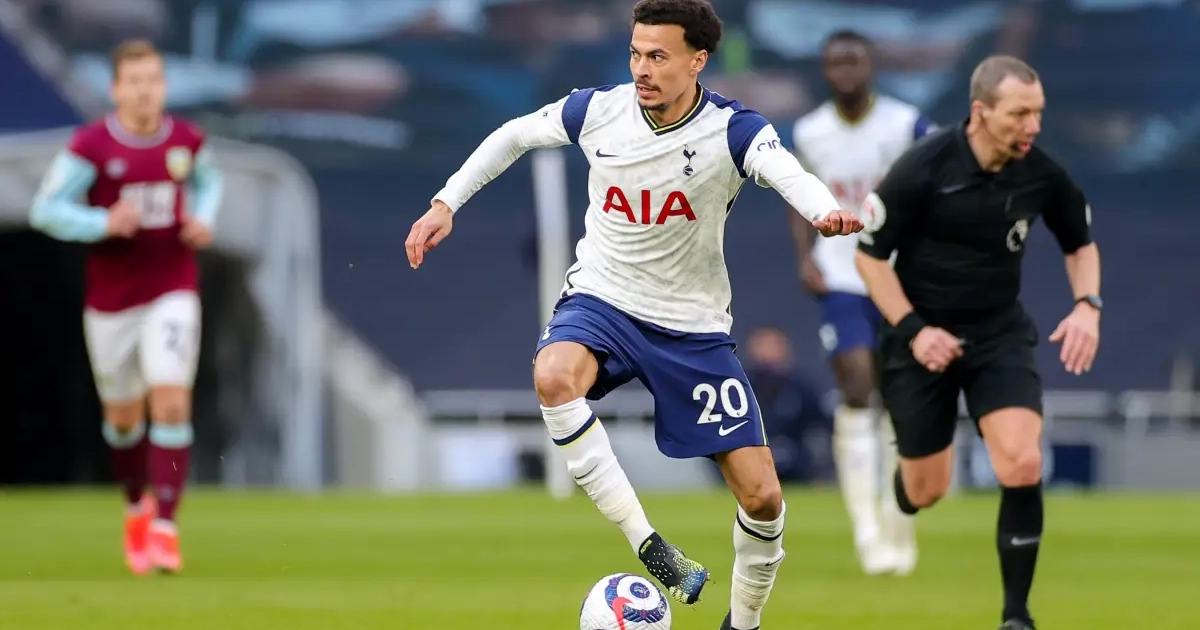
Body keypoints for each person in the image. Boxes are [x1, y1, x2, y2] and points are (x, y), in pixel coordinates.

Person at [405, 1, 861, 627]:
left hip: (691, 328)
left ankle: (744, 622)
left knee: (763, 498)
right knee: (553, 376)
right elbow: (514, 135)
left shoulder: (733, 130)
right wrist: (446, 202)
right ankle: (648, 544)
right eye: (635, 54)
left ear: (697, 61)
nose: (642, 69)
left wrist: (823, 210)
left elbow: (787, 171)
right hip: (604, 301)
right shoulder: (599, 110)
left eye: (658, 56)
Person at [854, 55, 1101, 630]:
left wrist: (1087, 306)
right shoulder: (923, 167)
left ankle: (1016, 615)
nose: (1032, 125)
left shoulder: (1042, 173)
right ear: (980, 112)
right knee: (926, 491)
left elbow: (1080, 243)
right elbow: (870, 259)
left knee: (1021, 461)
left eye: (1038, 113)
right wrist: (916, 331)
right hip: (919, 339)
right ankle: (905, 480)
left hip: (998, 333)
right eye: (1019, 114)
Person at [29, 39, 224, 575]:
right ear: (116, 89)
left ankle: (166, 527)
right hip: (112, 300)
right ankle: (137, 506)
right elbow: (45, 210)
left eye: (153, 81)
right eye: (134, 82)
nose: (145, 91)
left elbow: (209, 182)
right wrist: (101, 222)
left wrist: (204, 217)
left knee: (171, 400)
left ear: (164, 85)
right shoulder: (92, 146)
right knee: (122, 419)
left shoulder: (186, 141)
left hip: (173, 287)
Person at [789, 29, 932, 577]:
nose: (845, 70)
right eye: (835, 62)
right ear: (825, 71)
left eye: (854, 60)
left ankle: (898, 521)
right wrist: (805, 256)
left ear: (871, 66)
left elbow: (939, 177)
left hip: (897, 276)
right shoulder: (810, 132)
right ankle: (866, 528)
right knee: (855, 384)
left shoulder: (905, 124)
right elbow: (796, 193)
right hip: (842, 277)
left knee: (898, 399)